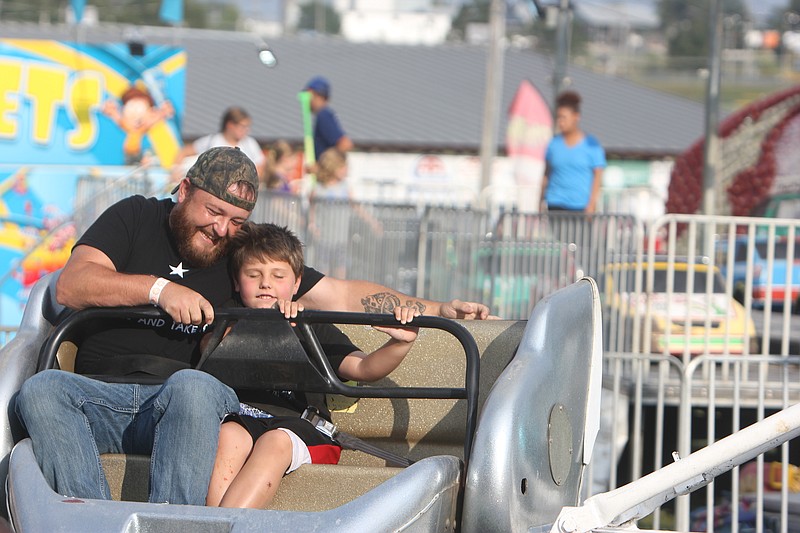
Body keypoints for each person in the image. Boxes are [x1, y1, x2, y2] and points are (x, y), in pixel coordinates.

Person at [15, 146, 493, 507]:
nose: (223, 229)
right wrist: (161, 291)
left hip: (184, 407)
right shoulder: (134, 216)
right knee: (40, 391)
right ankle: (90, 517)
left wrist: (438, 309)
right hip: (106, 400)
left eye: (236, 219)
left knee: (193, 386)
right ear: (182, 192)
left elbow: (344, 295)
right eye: (214, 212)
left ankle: (172, 523)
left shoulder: (244, 256)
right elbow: (71, 286)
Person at [206, 222, 419, 509]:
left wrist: (400, 344)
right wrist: (263, 324)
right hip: (245, 419)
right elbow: (208, 349)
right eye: (253, 275)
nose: (265, 283)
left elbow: (364, 369)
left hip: (301, 428)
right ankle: (213, 523)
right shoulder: (225, 324)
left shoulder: (311, 326)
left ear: (296, 284)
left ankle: (226, 525)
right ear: (236, 282)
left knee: (275, 442)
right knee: (228, 434)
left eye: (278, 276)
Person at [540, 91, 606, 214]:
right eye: (558, 117)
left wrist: (592, 204)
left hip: (580, 206)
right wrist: (540, 200)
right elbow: (546, 175)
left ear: (576, 117)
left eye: (564, 117)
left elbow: (598, 176)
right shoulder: (553, 144)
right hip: (555, 203)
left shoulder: (591, 145)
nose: (560, 122)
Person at [172, 106, 267, 180]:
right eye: (243, 126)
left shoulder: (250, 144)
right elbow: (184, 151)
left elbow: (260, 166)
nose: (246, 130)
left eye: (247, 127)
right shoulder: (212, 140)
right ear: (230, 125)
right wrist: (175, 171)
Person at [303, 76, 353, 162]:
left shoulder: (323, 115)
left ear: (316, 95)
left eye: (308, 95)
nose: (305, 100)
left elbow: (345, 144)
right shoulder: (324, 114)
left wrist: (322, 167)